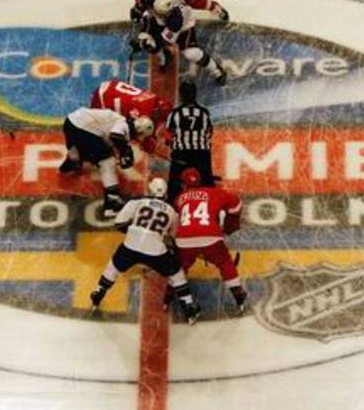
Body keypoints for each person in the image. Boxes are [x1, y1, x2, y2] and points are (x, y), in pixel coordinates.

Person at [90, 177, 202, 324]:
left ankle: (98, 292)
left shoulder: (137, 202)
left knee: (113, 268)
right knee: (177, 275)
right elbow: (174, 236)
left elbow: (119, 224)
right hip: (155, 250)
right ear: (165, 193)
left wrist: (135, 231)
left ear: (150, 190)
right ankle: (188, 307)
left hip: (130, 245)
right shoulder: (173, 212)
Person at [172, 167, 248, 313]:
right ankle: (238, 294)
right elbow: (237, 204)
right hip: (210, 237)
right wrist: (231, 224)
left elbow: (175, 221)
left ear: (183, 184)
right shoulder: (215, 192)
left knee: (179, 268)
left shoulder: (179, 198)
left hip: (184, 240)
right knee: (224, 262)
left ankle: (171, 296)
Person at [59, 107, 155, 216]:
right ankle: (112, 203)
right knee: (107, 162)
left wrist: (122, 150)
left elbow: (108, 139)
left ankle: (74, 159)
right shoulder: (123, 125)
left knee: (98, 152)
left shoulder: (120, 121)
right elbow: (115, 135)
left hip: (72, 122)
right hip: (82, 128)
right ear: (139, 131)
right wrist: (125, 151)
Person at [133, 0, 226, 84]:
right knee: (147, 26)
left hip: (184, 27)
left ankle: (216, 70)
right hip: (164, 22)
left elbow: (162, 40)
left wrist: (144, 43)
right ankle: (165, 54)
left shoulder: (176, 21)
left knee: (191, 53)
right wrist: (138, 8)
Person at [89, 79, 173, 154]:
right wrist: (148, 143)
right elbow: (136, 133)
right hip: (104, 97)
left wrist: (152, 138)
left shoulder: (155, 99)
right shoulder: (142, 111)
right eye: (161, 120)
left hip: (112, 86)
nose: (160, 123)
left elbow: (153, 120)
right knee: (110, 137)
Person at [165, 80, 215, 202]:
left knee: (175, 185)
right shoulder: (204, 113)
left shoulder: (175, 114)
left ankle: (172, 204)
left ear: (181, 95)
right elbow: (210, 133)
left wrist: (170, 142)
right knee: (206, 182)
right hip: (201, 154)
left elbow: (168, 137)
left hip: (181, 155)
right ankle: (209, 204)